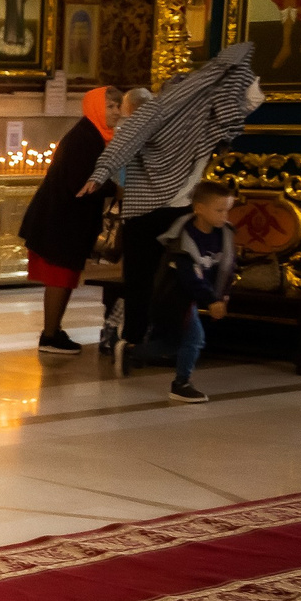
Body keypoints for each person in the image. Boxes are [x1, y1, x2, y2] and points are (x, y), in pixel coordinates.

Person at [79, 43, 260, 376]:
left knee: (156, 281)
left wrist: (102, 173)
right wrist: (100, 172)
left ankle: (144, 342)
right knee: (157, 281)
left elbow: (246, 102)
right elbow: (244, 103)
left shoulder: (190, 116)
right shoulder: (179, 115)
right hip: (161, 212)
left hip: (157, 211)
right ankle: (145, 343)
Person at [19, 87, 119, 355]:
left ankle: (54, 330)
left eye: (118, 106)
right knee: (58, 277)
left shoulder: (96, 135)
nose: (116, 112)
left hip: (67, 221)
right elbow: (82, 182)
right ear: (96, 107)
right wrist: (116, 189)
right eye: (110, 106)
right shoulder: (84, 138)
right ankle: (50, 335)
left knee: (66, 277)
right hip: (58, 221)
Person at [160, 179, 237, 406]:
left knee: (175, 342)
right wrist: (211, 300)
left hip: (199, 295)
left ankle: (130, 350)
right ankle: (181, 384)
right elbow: (189, 278)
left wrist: (222, 298)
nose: (225, 216)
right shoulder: (183, 239)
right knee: (191, 339)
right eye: (219, 210)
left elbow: (228, 268)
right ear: (200, 209)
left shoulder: (224, 234)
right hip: (177, 295)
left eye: (227, 210)